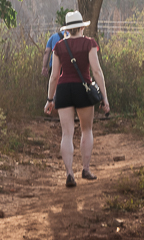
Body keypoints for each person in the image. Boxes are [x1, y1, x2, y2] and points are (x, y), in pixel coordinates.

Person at [43, 11, 109, 187]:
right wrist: (104, 97)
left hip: (63, 90)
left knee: (67, 133)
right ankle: (86, 169)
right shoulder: (89, 43)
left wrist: (50, 99)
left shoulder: (59, 46)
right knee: (86, 130)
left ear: (67, 29)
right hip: (83, 88)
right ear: (81, 27)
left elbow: (54, 76)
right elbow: (96, 71)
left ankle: (69, 173)